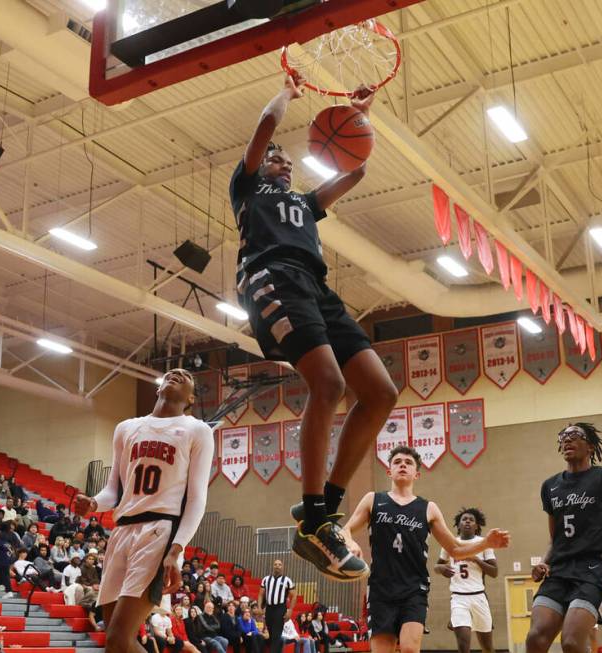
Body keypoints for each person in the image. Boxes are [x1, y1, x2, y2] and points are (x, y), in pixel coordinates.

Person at [233, 73, 399, 581]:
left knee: (380, 392)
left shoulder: (305, 204)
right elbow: (265, 124)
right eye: (277, 156)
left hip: (316, 288)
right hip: (271, 278)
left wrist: (358, 116)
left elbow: (358, 172)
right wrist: (288, 92)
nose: (284, 161)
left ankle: (321, 506)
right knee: (327, 382)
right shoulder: (247, 188)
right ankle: (313, 525)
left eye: (287, 158)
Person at [72, 368, 214, 653]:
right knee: (114, 643)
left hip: (159, 531)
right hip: (122, 530)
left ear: (191, 398)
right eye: (172, 372)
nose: (176, 373)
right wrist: (94, 504)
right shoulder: (126, 427)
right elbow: (115, 489)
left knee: (118, 639)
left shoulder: (197, 430)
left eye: (185, 376)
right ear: (158, 387)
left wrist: (177, 550)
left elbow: (197, 499)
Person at [338, 446, 508, 653]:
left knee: (410, 649)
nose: (402, 464)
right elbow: (345, 529)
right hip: (381, 587)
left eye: (408, 463)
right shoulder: (374, 500)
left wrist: (486, 544)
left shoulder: (428, 508)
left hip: (414, 588)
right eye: (397, 461)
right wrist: (351, 542)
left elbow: (454, 549)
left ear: (416, 474)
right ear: (389, 471)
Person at [526, 423, 602, 653]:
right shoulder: (550, 486)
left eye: (575, 435)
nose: (567, 440)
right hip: (559, 569)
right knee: (535, 638)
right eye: (563, 437)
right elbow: (555, 538)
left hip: (594, 570)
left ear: (589, 446)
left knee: (571, 642)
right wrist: (544, 562)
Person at [435, 507, 498, 653]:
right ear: (458, 525)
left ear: (477, 526)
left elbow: (494, 572)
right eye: (464, 519)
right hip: (458, 598)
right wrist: (441, 569)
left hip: (479, 597)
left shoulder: (483, 543)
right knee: (463, 647)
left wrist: (476, 559)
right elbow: (437, 566)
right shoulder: (450, 544)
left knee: (487, 647)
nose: (467, 521)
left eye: (471, 520)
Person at [259, 560, 296, 653]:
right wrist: (260, 607)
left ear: (282, 567)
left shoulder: (287, 580)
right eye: (275, 564)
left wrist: (290, 610)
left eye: (279, 564)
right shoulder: (266, 579)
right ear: (273, 566)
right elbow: (260, 594)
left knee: (276, 635)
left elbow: (294, 596)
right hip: (269, 609)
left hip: (280, 609)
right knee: (271, 634)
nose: (277, 566)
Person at [0, 522, 21, 598]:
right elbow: (18, 543)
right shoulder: (13, 534)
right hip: (12, 556)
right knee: (1, 569)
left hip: (3, 556)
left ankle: (9, 591)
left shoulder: (0, 535)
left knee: (5, 573)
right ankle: (1, 585)